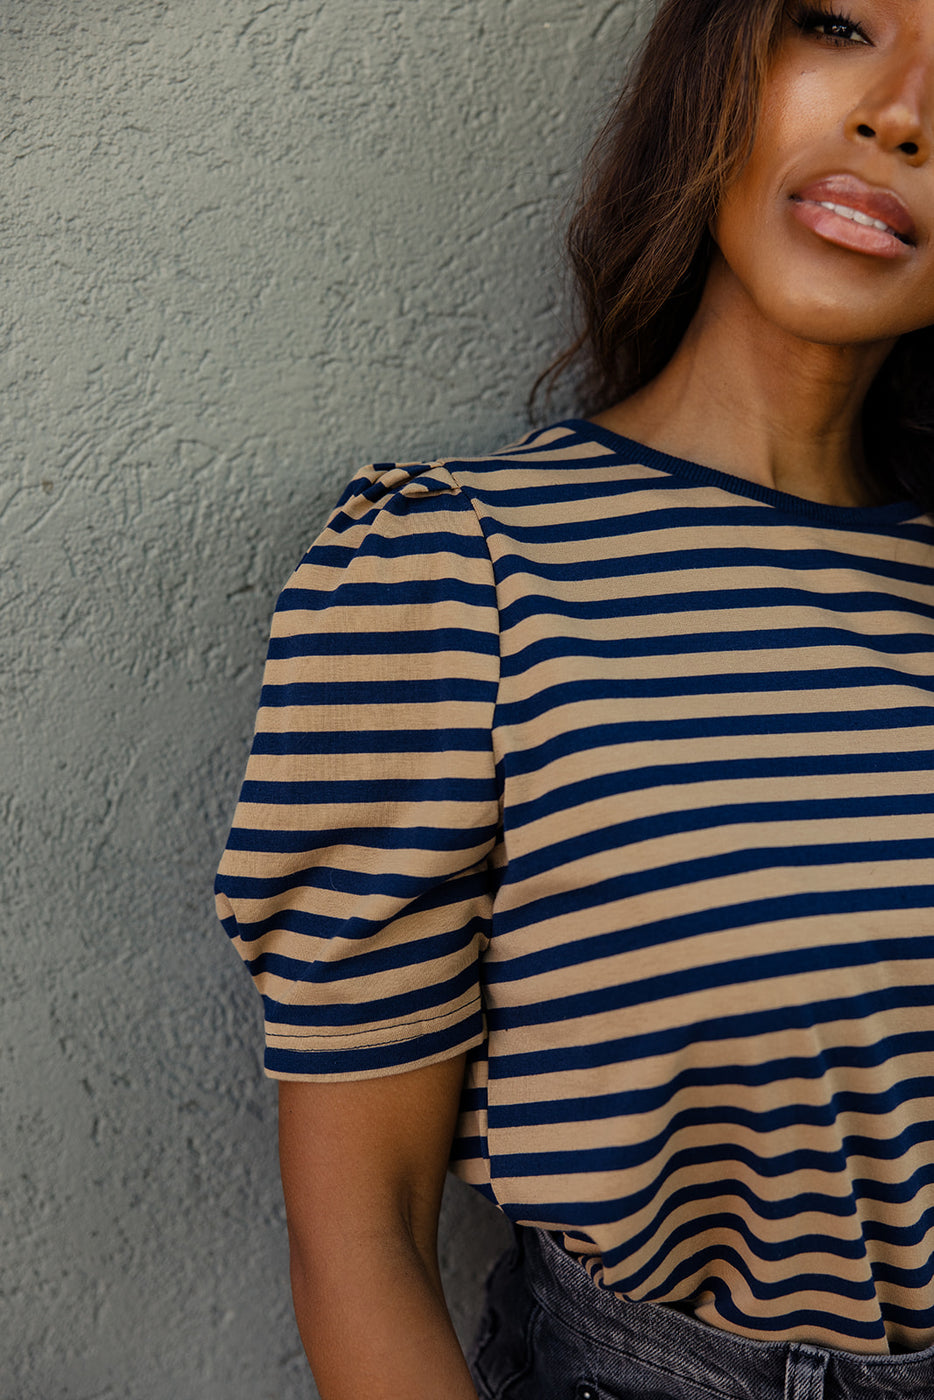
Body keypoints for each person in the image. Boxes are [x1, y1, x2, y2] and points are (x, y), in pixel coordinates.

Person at [214, 0, 934, 1395]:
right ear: (716, 64)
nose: (899, 113)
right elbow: (361, 1234)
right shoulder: (451, 566)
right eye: (837, 24)